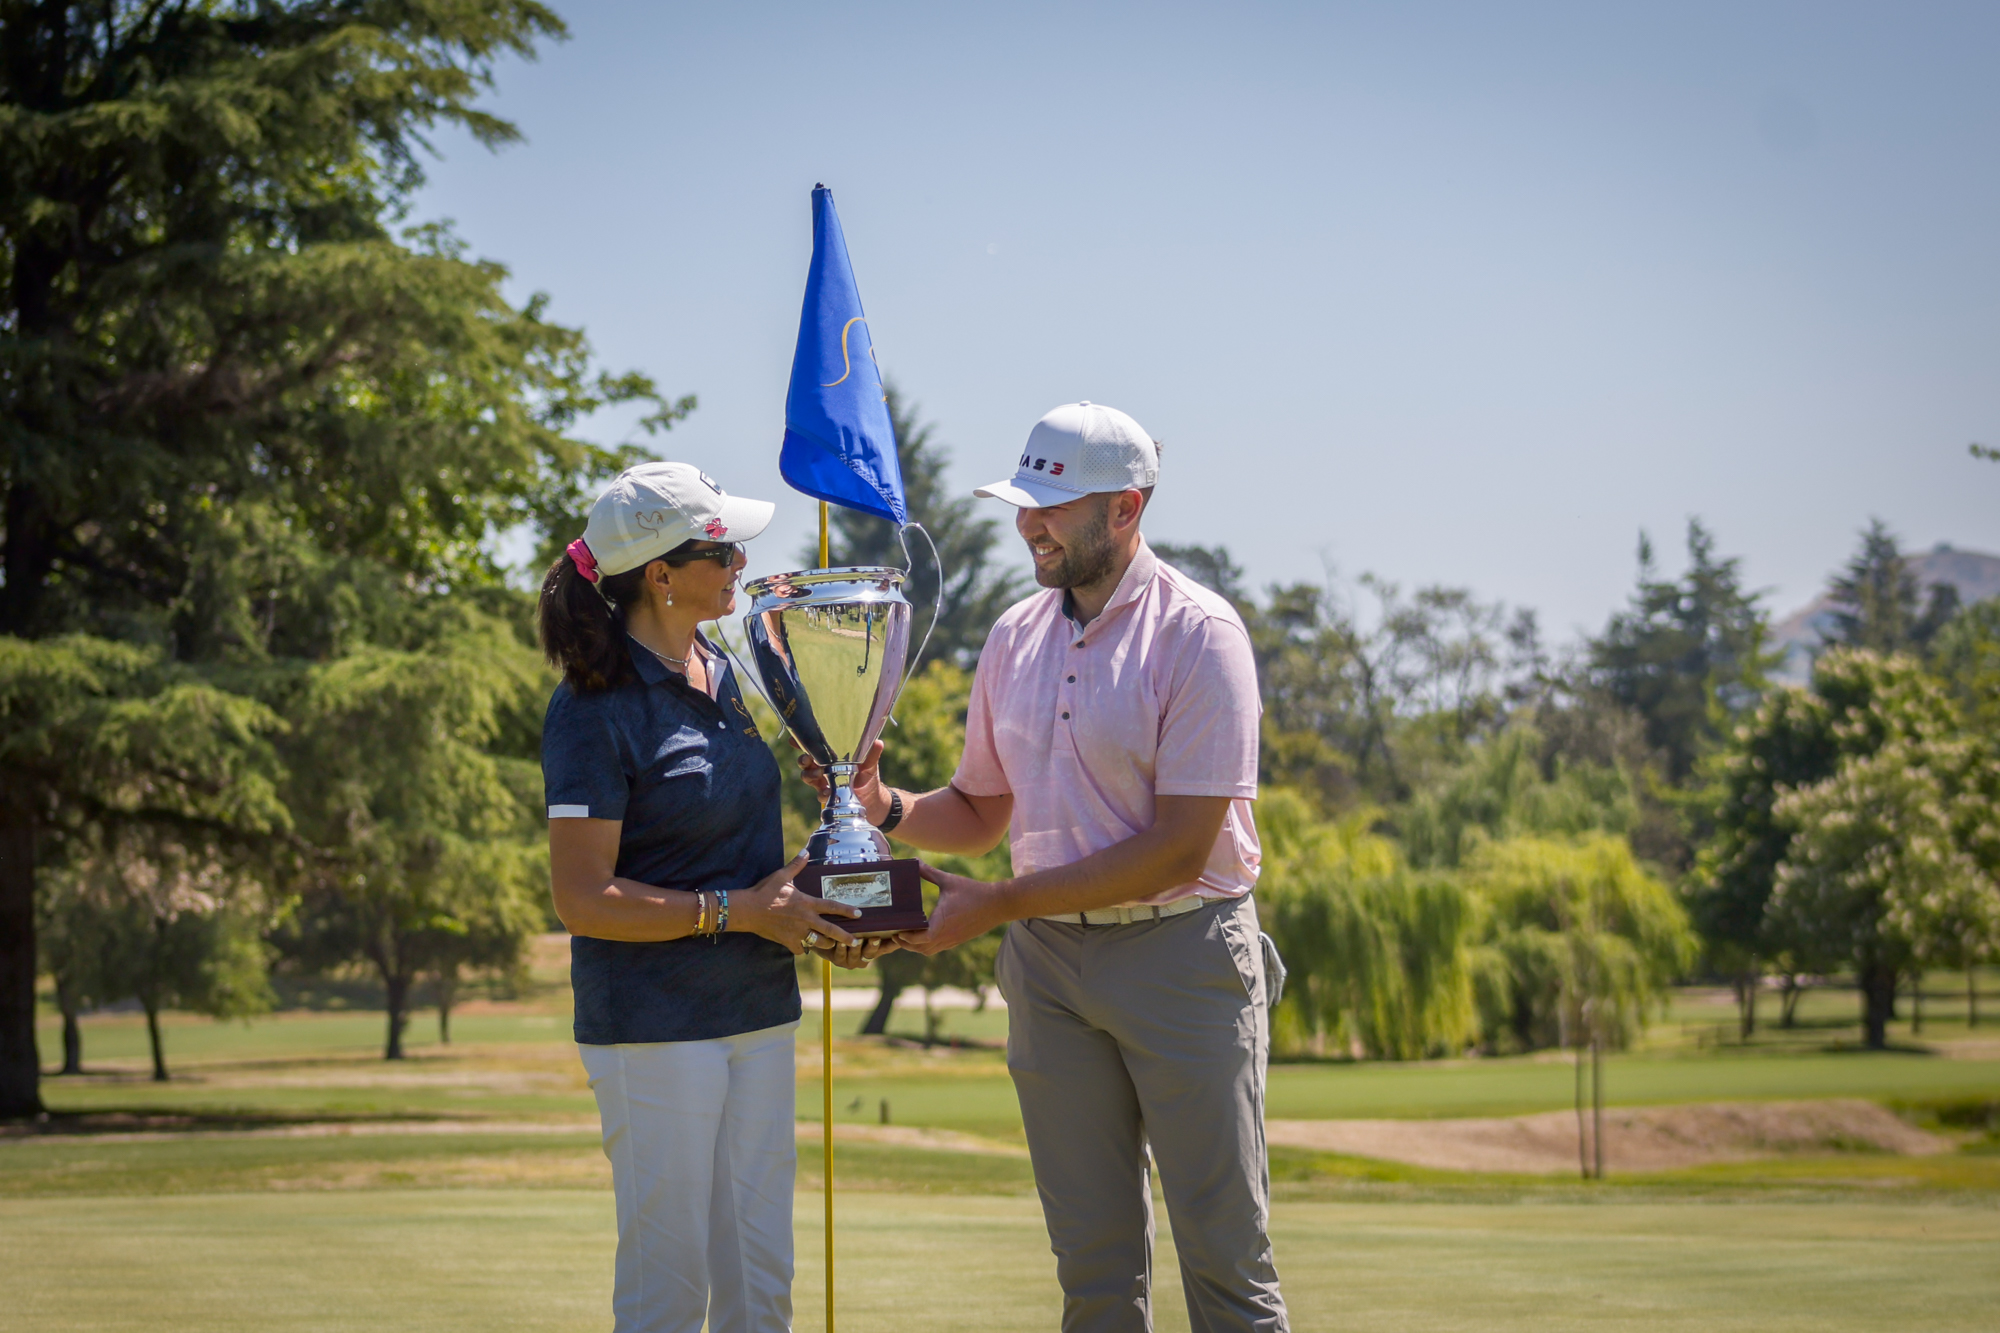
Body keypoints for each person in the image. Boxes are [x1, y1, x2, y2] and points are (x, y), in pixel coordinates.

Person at [806, 403, 1287, 1332]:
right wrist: (883, 803)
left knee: (1226, 1260)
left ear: (1126, 508)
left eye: (1052, 505)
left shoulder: (1201, 633)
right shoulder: (1014, 634)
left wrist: (998, 904)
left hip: (1183, 953)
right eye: (1023, 503)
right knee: (1093, 1270)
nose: (1029, 522)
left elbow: (1180, 847)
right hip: (1049, 971)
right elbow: (982, 807)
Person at [539, 460, 893, 1333]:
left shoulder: (722, 667)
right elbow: (581, 896)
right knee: (669, 1294)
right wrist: (737, 912)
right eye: (723, 550)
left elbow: (737, 850)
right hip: (655, 1028)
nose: (742, 562)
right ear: (661, 573)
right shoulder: (591, 706)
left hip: (758, 1012)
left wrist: (826, 884)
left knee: (761, 1286)